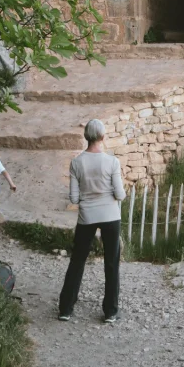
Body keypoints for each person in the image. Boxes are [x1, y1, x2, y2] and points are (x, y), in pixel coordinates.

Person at [58, 118, 126, 324]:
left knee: (78, 260)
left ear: (86, 137)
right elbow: (120, 195)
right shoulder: (112, 162)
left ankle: (66, 309)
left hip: (87, 216)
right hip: (110, 216)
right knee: (111, 262)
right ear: (103, 137)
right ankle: (110, 311)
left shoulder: (76, 162)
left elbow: (74, 198)